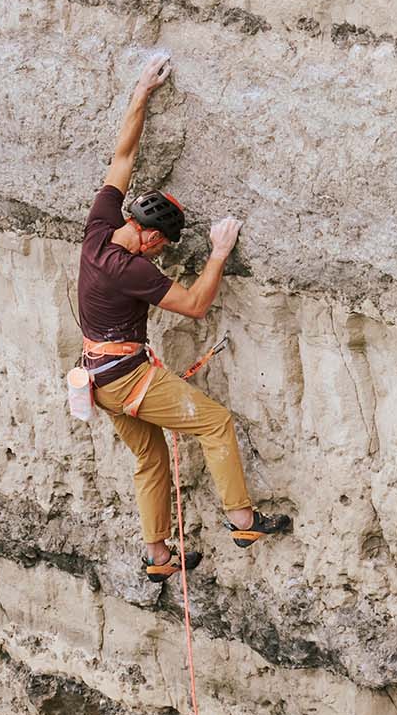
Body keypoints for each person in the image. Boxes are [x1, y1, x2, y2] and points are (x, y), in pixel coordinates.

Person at [75, 53, 290, 578]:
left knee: (150, 459)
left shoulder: (100, 228)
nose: (160, 254)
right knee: (214, 423)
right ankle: (242, 520)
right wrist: (218, 253)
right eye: (161, 246)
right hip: (127, 380)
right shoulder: (131, 269)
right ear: (148, 235)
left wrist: (142, 92)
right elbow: (194, 305)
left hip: (96, 379)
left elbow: (123, 156)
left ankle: (158, 556)